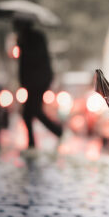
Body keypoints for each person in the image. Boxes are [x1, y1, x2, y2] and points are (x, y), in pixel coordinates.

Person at [14, 20, 63, 153]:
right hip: (33, 81)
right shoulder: (24, 38)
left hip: (38, 81)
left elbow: (35, 59)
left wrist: (22, 46)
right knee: (28, 112)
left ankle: (57, 131)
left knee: (33, 110)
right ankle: (32, 142)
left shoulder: (35, 38)